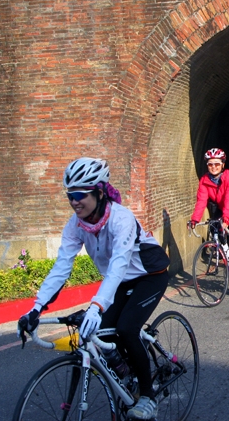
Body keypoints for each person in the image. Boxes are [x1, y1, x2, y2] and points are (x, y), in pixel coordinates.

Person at [17, 157, 170, 420]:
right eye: (70, 196)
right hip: (120, 282)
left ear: (99, 193)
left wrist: (96, 306)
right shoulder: (75, 225)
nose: (75, 201)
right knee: (102, 332)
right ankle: (127, 374)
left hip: (149, 276)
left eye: (80, 194)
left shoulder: (121, 219)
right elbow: (61, 267)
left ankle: (147, 396)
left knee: (126, 328)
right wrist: (36, 308)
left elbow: (119, 265)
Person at [189, 148, 229, 288]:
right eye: (210, 164)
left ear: (223, 164)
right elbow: (201, 201)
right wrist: (195, 219)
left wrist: (227, 220)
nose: (213, 167)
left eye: (217, 164)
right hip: (222, 208)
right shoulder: (205, 180)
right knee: (215, 229)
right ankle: (225, 251)